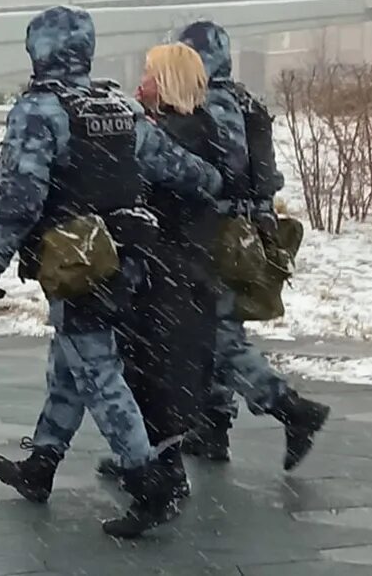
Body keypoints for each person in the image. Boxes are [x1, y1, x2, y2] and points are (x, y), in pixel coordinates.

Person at [0, 6, 224, 539]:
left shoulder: (39, 110)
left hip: (76, 258)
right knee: (70, 365)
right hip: (127, 256)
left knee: (98, 373)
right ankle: (40, 465)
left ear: (37, 49)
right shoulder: (116, 105)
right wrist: (215, 185)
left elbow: (21, 196)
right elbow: (183, 170)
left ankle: (147, 481)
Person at [176, 20, 330, 471]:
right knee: (217, 330)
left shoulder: (213, 103)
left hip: (220, 232)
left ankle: (291, 408)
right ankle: (213, 427)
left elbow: (224, 169)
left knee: (219, 335)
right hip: (243, 230)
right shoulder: (245, 99)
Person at [96, 43, 226, 499]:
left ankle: (165, 472)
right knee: (154, 366)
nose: (141, 81)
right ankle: (150, 458)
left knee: (160, 369)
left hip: (174, 268)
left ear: (167, 81)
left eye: (148, 74)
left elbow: (162, 179)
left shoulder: (183, 131)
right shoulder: (186, 126)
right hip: (177, 265)